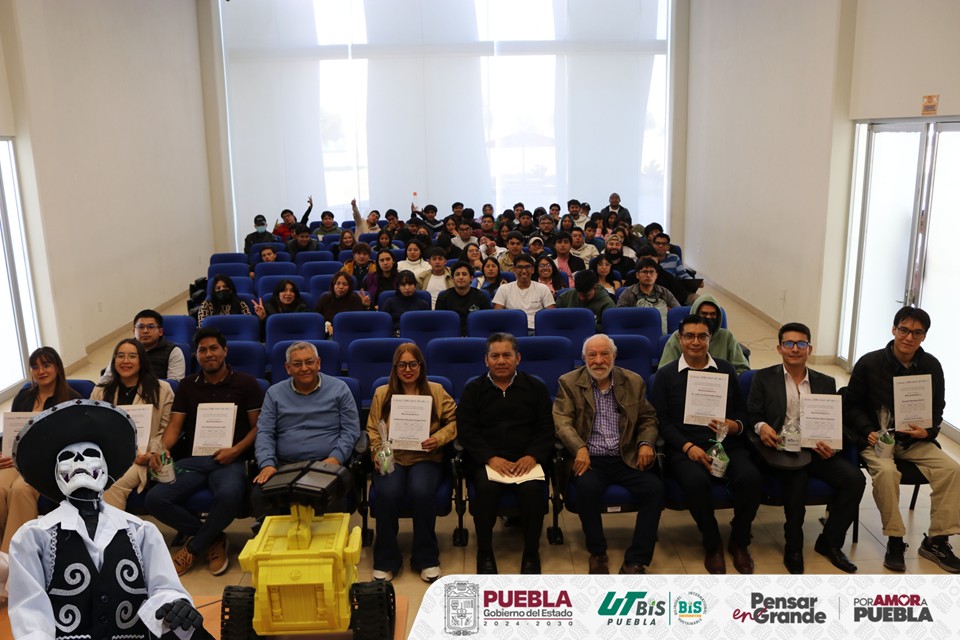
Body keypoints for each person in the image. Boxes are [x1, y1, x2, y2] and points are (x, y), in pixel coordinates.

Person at [9, 401, 206, 639]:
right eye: (68, 458)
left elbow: (164, 587)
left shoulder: (141, 531)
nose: (79, 462)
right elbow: (30, 613)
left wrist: (176, 603)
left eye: (90, 454)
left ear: (104, 468)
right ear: (57, 474)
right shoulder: (33, 538)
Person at [844, 306, 960, 573]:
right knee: (886, 473)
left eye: (917, 333)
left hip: (915, 440)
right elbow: (851, 406)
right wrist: (867, 431)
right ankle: (895, 539)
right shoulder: (869, 362)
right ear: (894, 329)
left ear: (924, 336)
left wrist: (928, 432)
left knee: (952, 470)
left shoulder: (931, 365)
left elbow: (937, 407)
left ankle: (937, 540)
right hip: (876, 440)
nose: (909, 337)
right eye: (904, 330)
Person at [747, 322, 864, 574]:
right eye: (789, 343)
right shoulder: (764, 378)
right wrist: (761, 425)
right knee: (796, 480)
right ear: (779, 348)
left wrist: (832, 445)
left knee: (855, 480)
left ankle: (829, 543)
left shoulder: (825, 382)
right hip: (780, 450)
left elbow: (832, 421)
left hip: (816, 449)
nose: (795, 349)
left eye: (801, 343)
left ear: (810, 348)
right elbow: (752, 414)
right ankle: (794, 546)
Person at [145, 328, 263, 576]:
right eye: (202, 350)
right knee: (155, 499)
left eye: (213, 348)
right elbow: (175, 427)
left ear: (224, 351)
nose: (208, 354)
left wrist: (236, 450)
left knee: (230, 493)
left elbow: (257, 428)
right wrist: (162, 450)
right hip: (194, 460)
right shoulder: (187, 386)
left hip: (230, 459)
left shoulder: (246, 384)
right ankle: (212, 538)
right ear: (196, 355)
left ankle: (194, 548)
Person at [651, 315, 761, 575]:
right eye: (689, 336)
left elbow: (742, 414)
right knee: (695, 483)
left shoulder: (725, 369)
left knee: (751, 479)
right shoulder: (665, 376)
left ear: (710, 339)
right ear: (680, 339)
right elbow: (661, 421)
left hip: (726, 444)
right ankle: (712, 543)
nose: (696, 342)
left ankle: (739, 540)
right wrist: (687, 446)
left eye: (702, 336)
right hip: (684, 447)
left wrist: (735, 425)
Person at [554, 335, 662, 574]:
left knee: (654, 489)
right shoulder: (569, 382)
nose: (599, 361)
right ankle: (598, 552)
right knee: (586, 489)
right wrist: (579, 448)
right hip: (591, 459)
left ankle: (637, 559)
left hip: (627, 456)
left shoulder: (633, 381)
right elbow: (562, 421)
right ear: (584, 358)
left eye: (605, 354)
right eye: (592, 355)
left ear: (614, 356)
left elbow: (648, 418)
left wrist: (646, 443)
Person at [457, 333, 554, 574]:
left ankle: (531, 553)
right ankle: (485, 552)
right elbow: (467, 431)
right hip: (487, 461)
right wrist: (490, 457)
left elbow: (546, 428)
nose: (501, 361)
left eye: (507, 355)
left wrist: (532, 456)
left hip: (526, 459)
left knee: (532, 490)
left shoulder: (535, 387)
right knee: (486, 490)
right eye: (495, 356)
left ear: (518, 358)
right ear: (486, 360)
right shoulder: (474, 390)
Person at [367, 344, 457, 583]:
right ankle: (386, 560)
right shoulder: (381, 393)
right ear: (395, 367)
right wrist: (377, 452)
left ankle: (426, 558)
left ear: (421, 366)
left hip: (425, 457)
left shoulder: (436, 391)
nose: (408, 369)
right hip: (392, 456)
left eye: (413, 364)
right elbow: (373, 428)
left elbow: (455, 422)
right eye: (402, 365)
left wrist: (438, 438)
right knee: (387, 493)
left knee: (421, 492)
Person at [252, 342, 360, 522]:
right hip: (283, 466)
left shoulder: (339, 389)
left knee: (331, 504)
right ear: (288, 368)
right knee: (259, 497)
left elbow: (351, 429)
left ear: (318, 363)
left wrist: (336, 458)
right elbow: (265, 433)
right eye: (297, 364)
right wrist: (267, 463)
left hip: (326, 464)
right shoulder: (274, 393)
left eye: (309, 362)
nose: (304, 368)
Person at [2, 347, 81, 553]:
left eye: (46, 365)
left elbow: (74, 442)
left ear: (57, 368)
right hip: (16, 459)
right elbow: (11, 432)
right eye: (35, 367)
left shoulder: (72, 399)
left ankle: (14, 555)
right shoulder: (23, 396)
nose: (41, 371)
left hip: (48, 463)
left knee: (20, 490)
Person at [92, 339, 175, 511]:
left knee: (111, 484)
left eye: (132, 356)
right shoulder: (100, 391)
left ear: (141, 360)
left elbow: (166, 429)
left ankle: (113, 535)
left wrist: (151, 452)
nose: (126, 361)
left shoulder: (162, 389)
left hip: (142, 459)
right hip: (106, 457)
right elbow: (94, 429)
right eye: (120, 356)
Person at [660, 294, 750, 373]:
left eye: (712, 314)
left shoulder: (727, 337)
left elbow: (743, 369)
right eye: (704, 314)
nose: (708, 318)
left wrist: (726, 382)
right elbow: (664, 371)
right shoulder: (678, 336)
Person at [99, 309, 187, 383]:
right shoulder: (124, 349)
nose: (145, 331)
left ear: (160, 331)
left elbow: (174, 384)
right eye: (141, 327)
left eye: (150, 327)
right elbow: (106, 379)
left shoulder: (173, 351)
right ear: (134, 331)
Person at [492, 253, 556, 333]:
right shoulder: (504, 288)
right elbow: (497, 316)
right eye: (520, 267)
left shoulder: (543, 288)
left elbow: (552, 316)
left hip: (537, 330)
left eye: (527, 267)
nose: (524, 271)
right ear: (514, 270)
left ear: (532, 270)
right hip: (512, 331)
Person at [616, 257, 681, 333]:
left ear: (656, 275)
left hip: (661, 329)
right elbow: (619, 315)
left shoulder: (664, 292)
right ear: (637, 275)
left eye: (651, 272)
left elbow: (677, 312)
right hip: (636, 330)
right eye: (644, 272)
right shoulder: (628, 293)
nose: (648, 275)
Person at [436, 261, 493, 335]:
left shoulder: (482, 297)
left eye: (464, 274)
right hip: (450, 336)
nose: (461, 277)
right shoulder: (443, 297)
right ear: (453, 278)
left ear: (471, 278)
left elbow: (486, 323)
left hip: (475, 335)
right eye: (457, 274)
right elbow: (440, 323)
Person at [316, 271, 369, 336]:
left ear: (350, 286)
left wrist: (365, 306)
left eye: (345, 284)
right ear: (333, 285)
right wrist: (327, 325)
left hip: (351, 333)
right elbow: (317, 318)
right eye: (338, 283)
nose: (341, 287)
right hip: (331, 334)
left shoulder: (355, 299)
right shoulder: (325, 298)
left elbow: (361, 321)